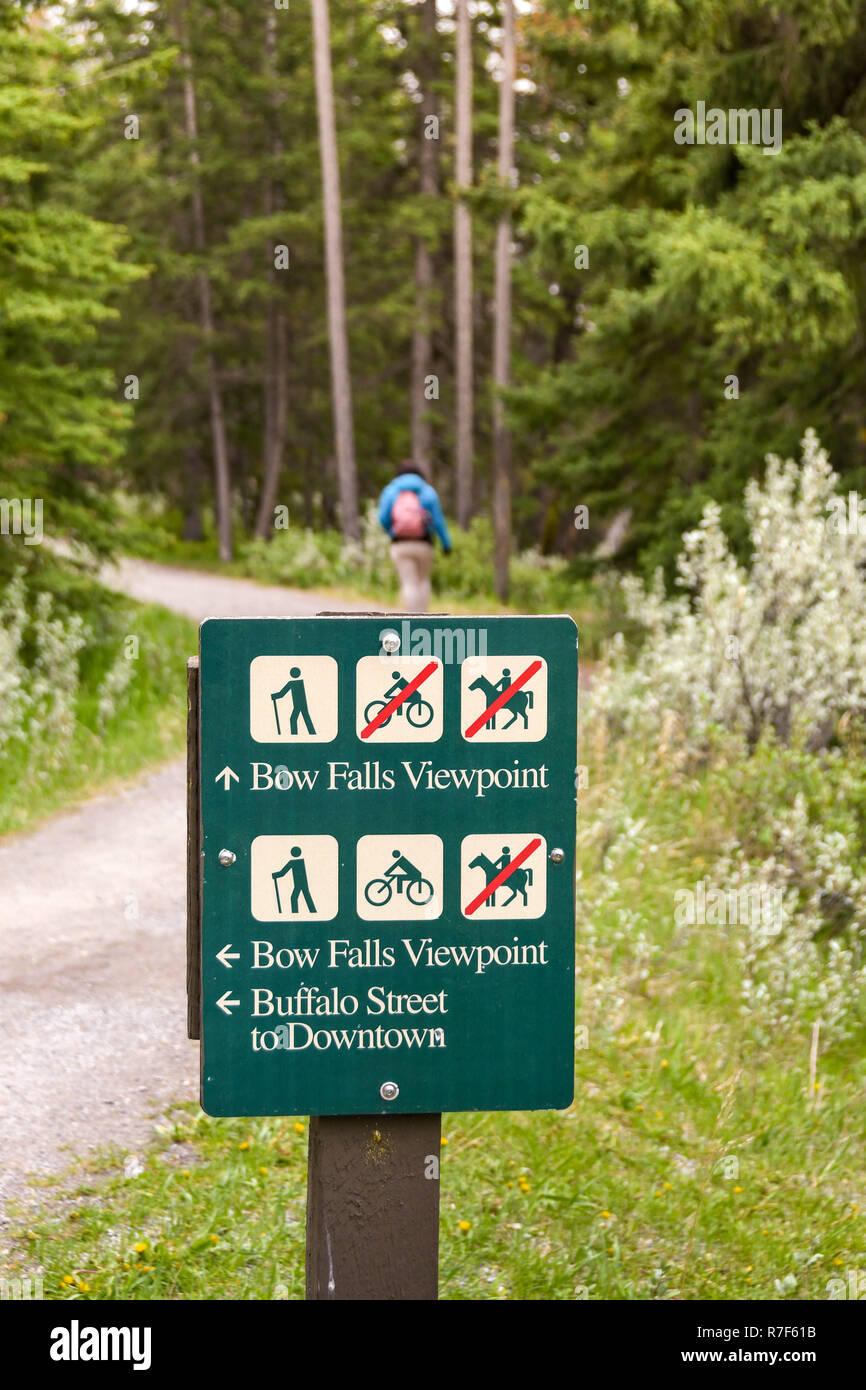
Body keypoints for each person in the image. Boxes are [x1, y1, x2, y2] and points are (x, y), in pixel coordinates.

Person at [377, 460, 451, 612]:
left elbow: (382, 518)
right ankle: (423, 616)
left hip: (401, 544)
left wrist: (392, 531)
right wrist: (446, 543)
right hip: (424, 544)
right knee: (423, 581)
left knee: (409, 583)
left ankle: (412, 617)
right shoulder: (427, 491)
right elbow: (438, 521)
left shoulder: (391, 490)